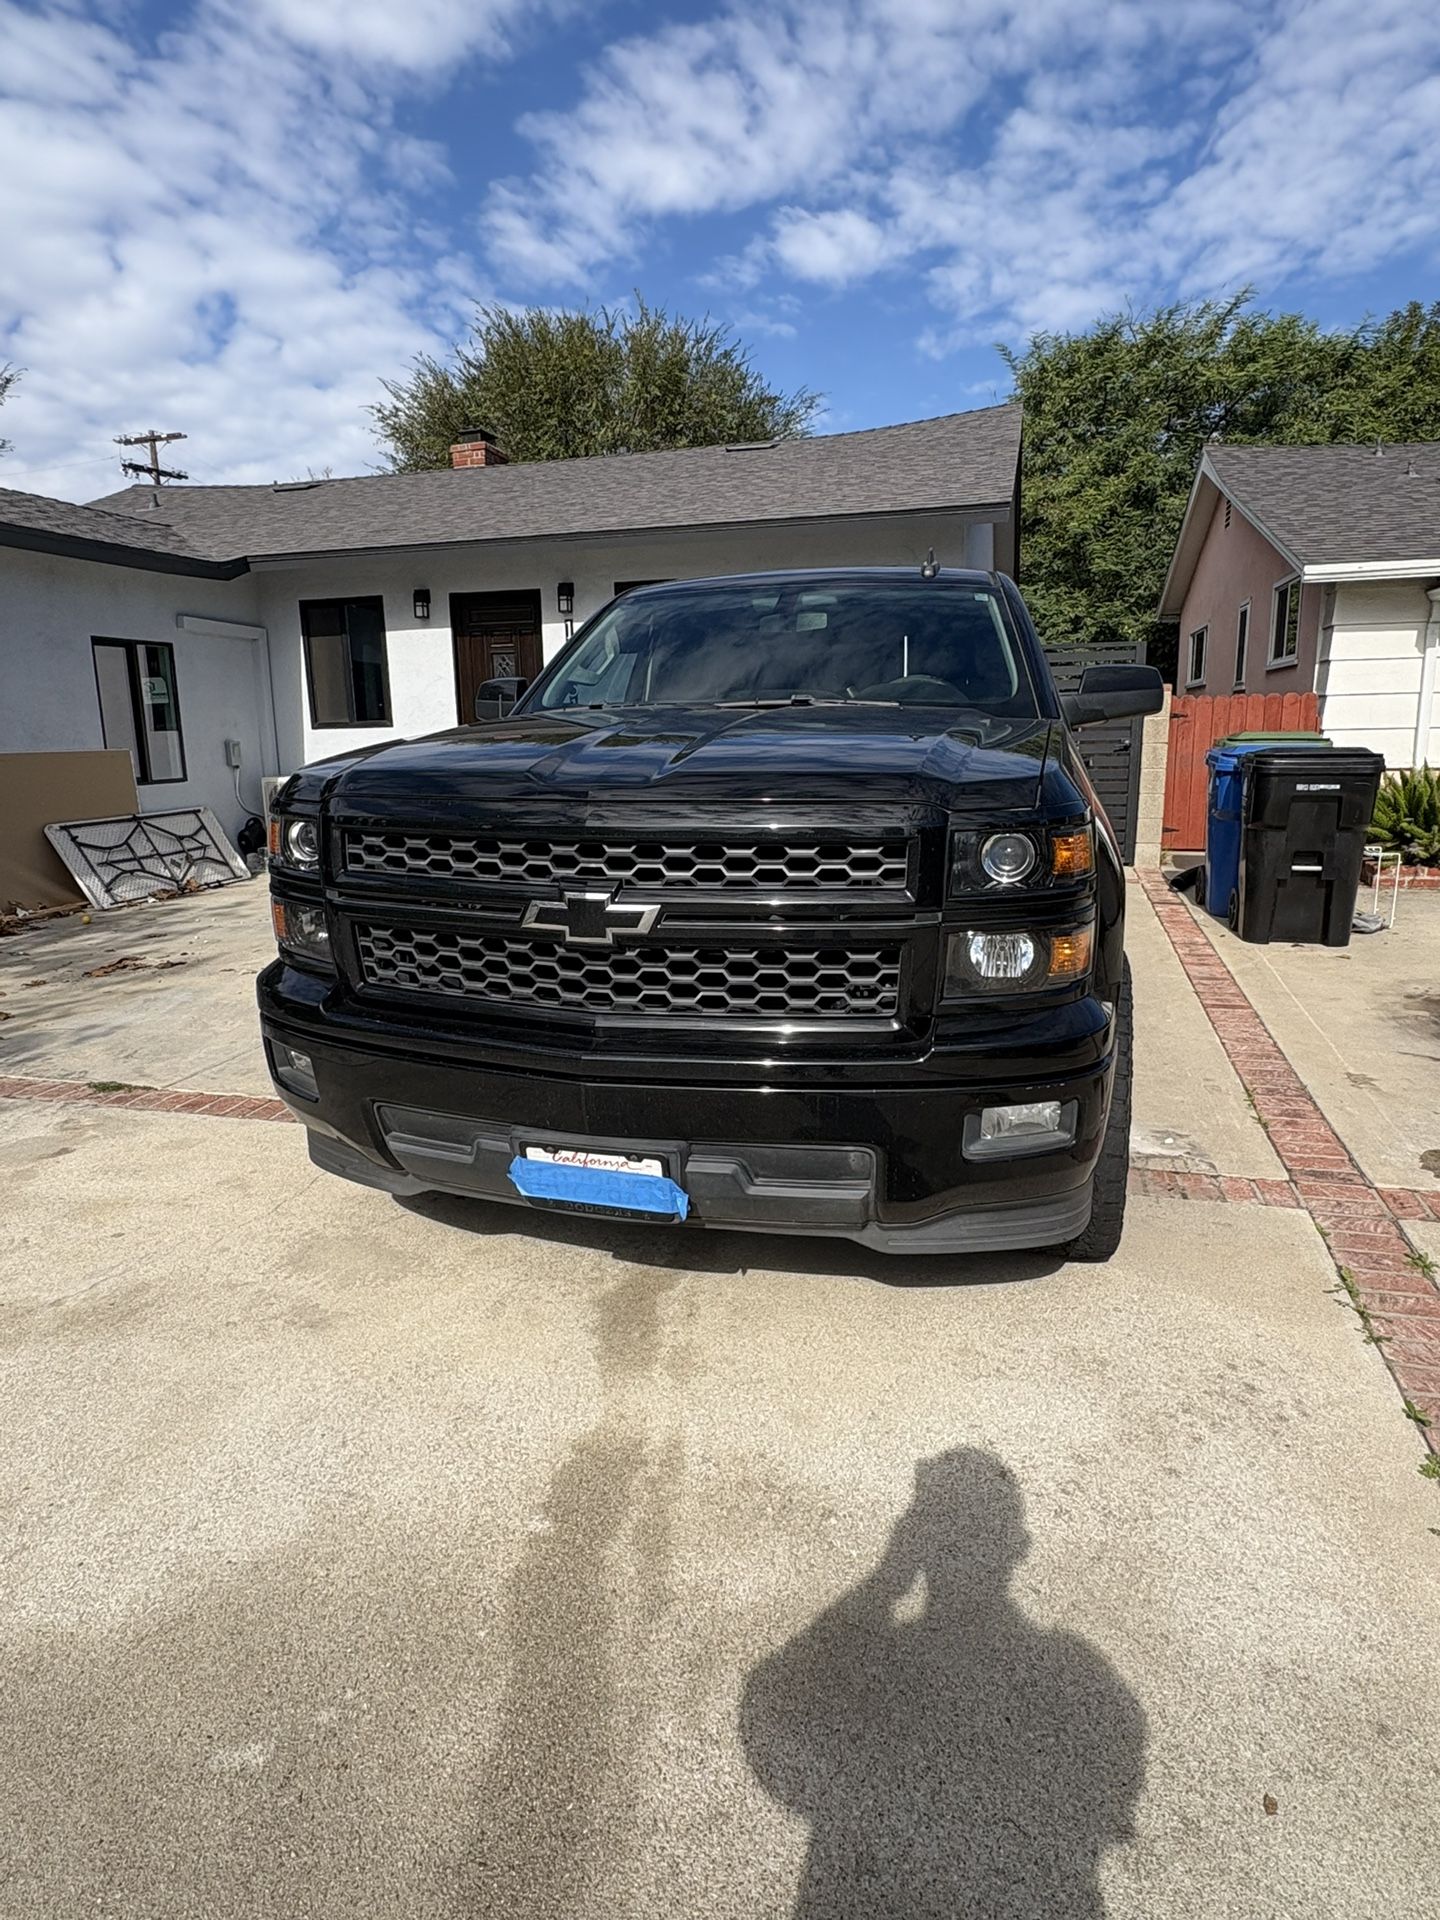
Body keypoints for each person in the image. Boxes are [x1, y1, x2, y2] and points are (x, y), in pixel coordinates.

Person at [740, 1449, 1146, 1918]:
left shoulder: (876, 1667)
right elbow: (1112, 1794)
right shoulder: (1080, 1675)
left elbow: (772, 1707)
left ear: (915, 1541)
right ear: (1019, 1545)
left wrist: (886, 1581)